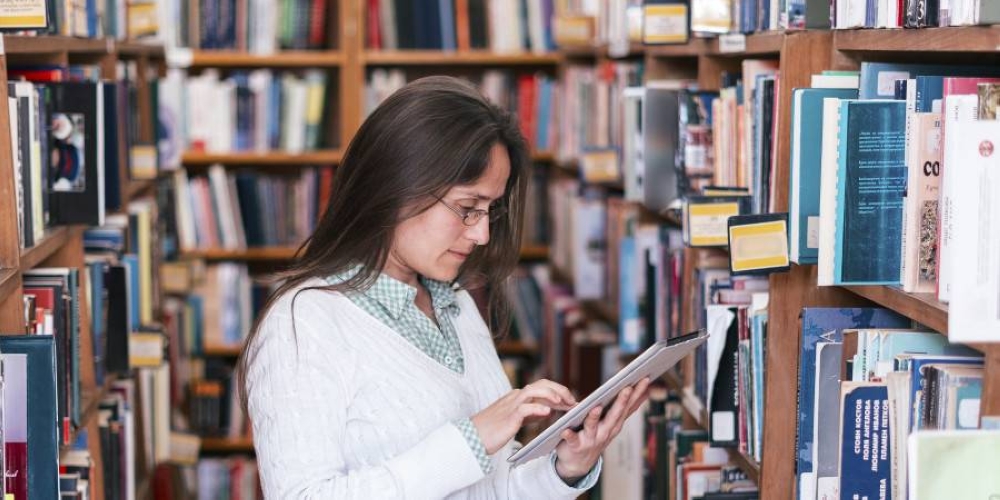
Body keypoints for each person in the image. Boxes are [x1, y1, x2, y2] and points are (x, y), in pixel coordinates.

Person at [238, 76, 651, 499]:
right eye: (468, 208)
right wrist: (469, 439)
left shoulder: (456, 305)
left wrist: (566, 467)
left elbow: (492, 487)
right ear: (397, 187)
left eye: (491, 210)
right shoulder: (306, 322)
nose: (483, 235)